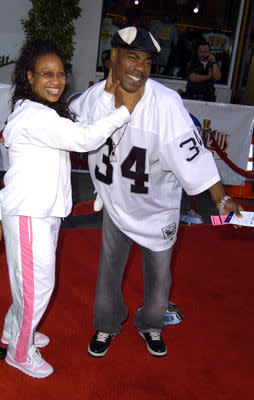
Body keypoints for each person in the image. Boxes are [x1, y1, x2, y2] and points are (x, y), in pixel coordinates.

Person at [70, 26, 242, 359]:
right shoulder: (94, 100)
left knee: (160, 286)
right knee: (108, 272)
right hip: (116, 205)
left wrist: (221, 199)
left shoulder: (166, 104)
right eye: (132, 57)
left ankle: (151, 324)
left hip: (157, 209)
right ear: (114, 57)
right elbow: (65, 120)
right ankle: (107, 324)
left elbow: (195, 157)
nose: (140, 68)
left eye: (147, 61)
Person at [0, 38, 139, 378]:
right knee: (37, 285)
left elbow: (80, 127)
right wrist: (126, 108)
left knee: (27, 283)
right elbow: (85, 139)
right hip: (31, 212)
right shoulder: (35, 115)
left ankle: (13, 331)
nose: (55, 80)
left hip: (39, 211)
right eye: (46, 73)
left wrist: (108, 92)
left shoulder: (40, 111)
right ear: (29, 77)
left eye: (60, 73)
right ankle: (19, 352)